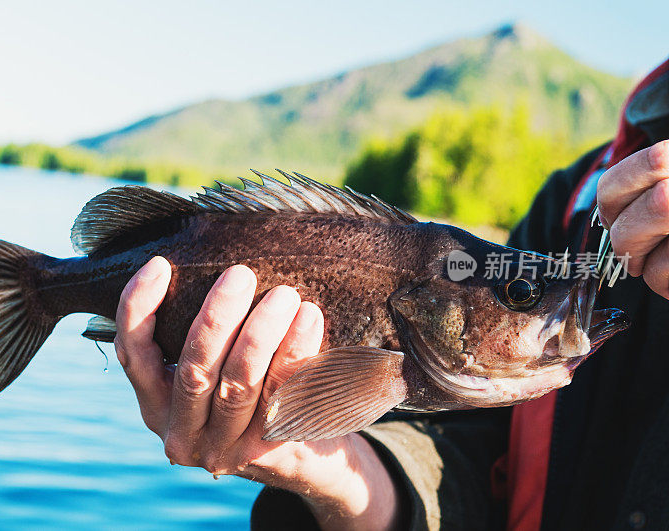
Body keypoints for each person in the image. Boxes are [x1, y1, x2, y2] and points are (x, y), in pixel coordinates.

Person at [113, 59, 669, 530]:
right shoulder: (574, 205)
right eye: (522, 294)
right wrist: (337, 474)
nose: (550, 302)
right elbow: (468, 458)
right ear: (424, 305)